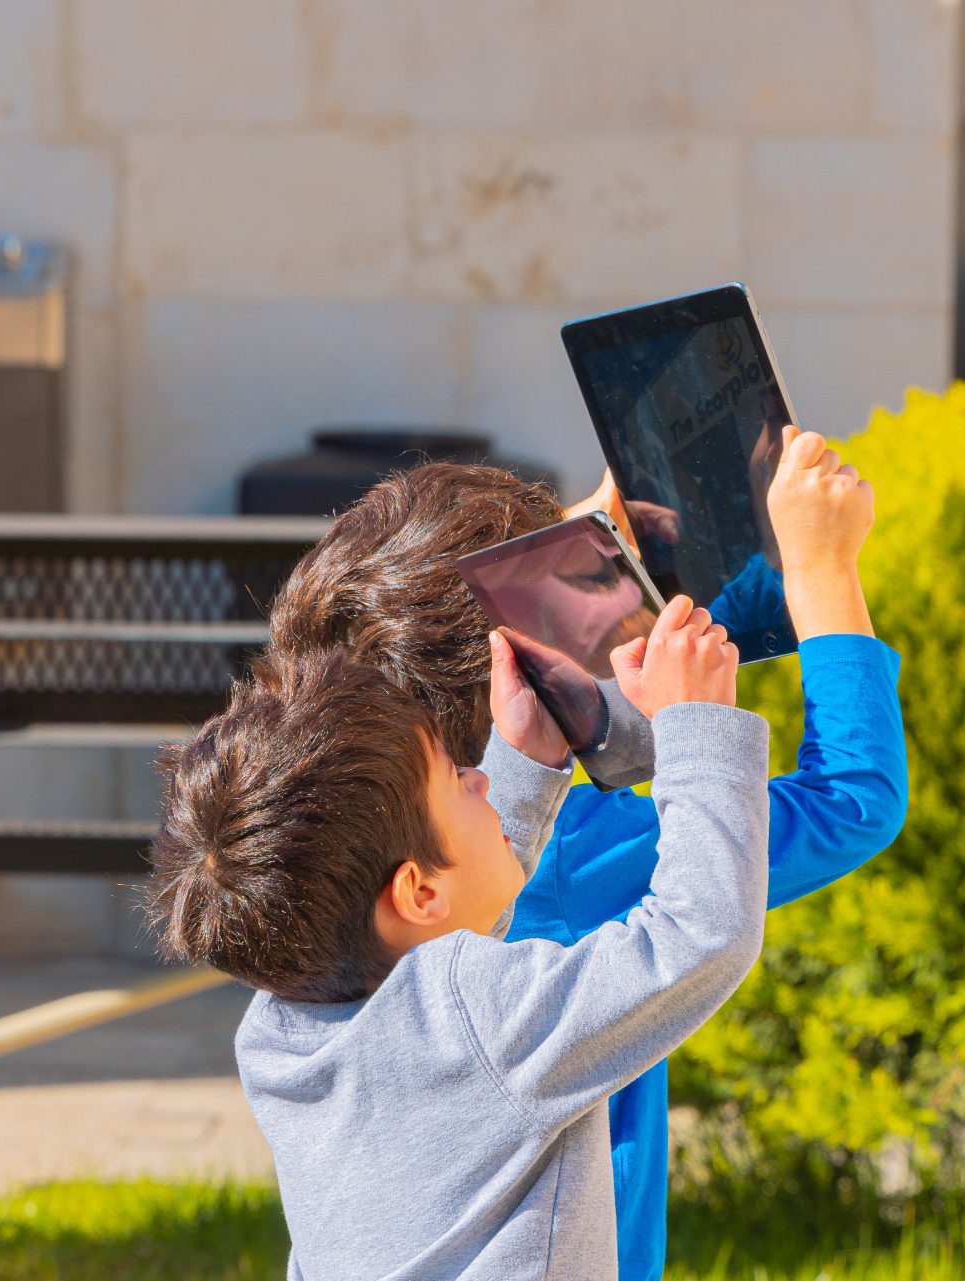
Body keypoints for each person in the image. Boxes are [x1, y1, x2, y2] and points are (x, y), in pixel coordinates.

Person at [266, 429, 908, 1279]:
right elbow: (850, 799)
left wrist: (560, 563)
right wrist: (821, 565)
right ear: (523, 670)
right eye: (574, 602)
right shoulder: (576, 855)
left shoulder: (321, 905)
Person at [150, 592, 770, 1278]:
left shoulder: (279, 1034)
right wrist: (698, 722)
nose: (480, 778)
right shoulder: (479, 1017)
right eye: (457, 778)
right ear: (415, 891)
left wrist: (523, 764)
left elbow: (434, 930)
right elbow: (699, 933)